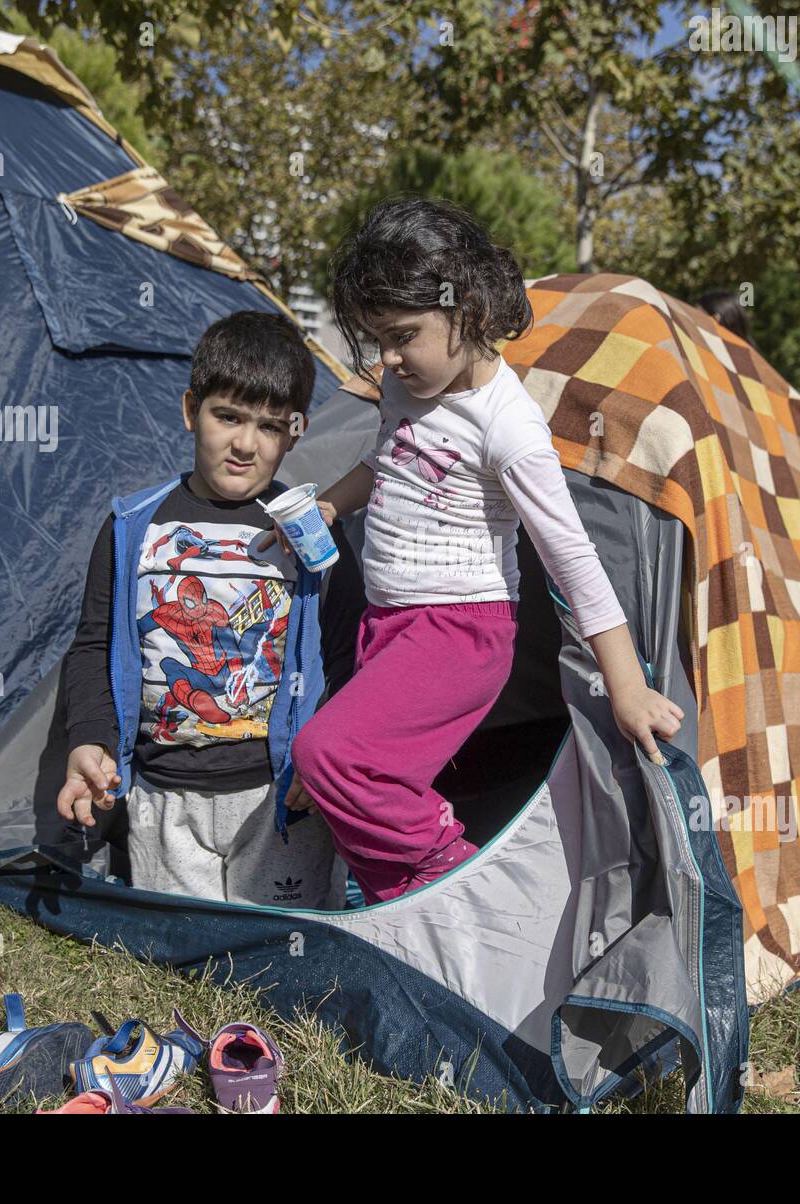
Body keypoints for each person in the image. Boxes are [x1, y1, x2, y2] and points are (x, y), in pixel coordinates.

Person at [258, 197, 684, 905]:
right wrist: (331, 503)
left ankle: (459, 880)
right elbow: (386, 461)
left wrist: (627, 684)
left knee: (328, 755)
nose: (388, 358)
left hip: (459, 632)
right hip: (387, 623)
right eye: (377, 340)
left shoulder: (507, 426)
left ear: (472, 311)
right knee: (368, 777)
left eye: (403, 336)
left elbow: (571, 558)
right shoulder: (406, 386)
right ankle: (408, 913)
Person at [56, 311, 366, 908]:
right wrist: (89, 740)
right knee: (183, 951)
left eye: (270, 426)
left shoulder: (312, 532)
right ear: (190, 410)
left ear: (295, 432)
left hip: (283, 798)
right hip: (162, 797)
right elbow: (95, 645)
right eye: (228, 417)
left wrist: (327, 757)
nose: (246, 444)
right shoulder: (132, 527)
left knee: (283, 950)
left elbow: (348, 654)